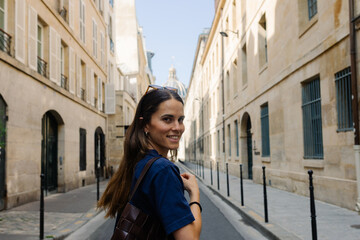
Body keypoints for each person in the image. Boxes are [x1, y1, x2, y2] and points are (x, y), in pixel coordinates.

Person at [97, 85, 202, 240]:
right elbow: (190, 238)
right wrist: (195, 195)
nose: (178, 127)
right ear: (145, 124)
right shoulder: (163, 170)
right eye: (167, 119)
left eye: (180, 120)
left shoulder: (139, 161)